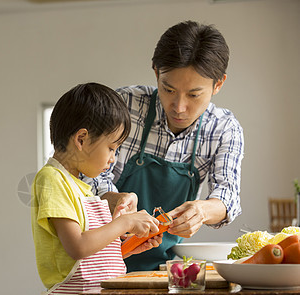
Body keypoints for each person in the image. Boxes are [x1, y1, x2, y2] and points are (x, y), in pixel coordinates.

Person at [82, 20, 244, 272]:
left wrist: (201, 211)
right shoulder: (125, 104)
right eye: (168, 89)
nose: (179, 107)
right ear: (156, 72)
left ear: (218, 84)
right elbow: (82, 173)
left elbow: (228, 197)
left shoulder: (224, 128)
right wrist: (114, 199)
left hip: (164, 266)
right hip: (99, 260)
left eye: (193, 94)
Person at [31, 82, 163, 295]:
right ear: (81, 139)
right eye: (111, 148)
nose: (113, 159)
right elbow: (78, 247)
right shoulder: (52, 179)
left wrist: (129, 247)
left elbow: (87, 261)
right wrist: (125, 223)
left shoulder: (81, 187)